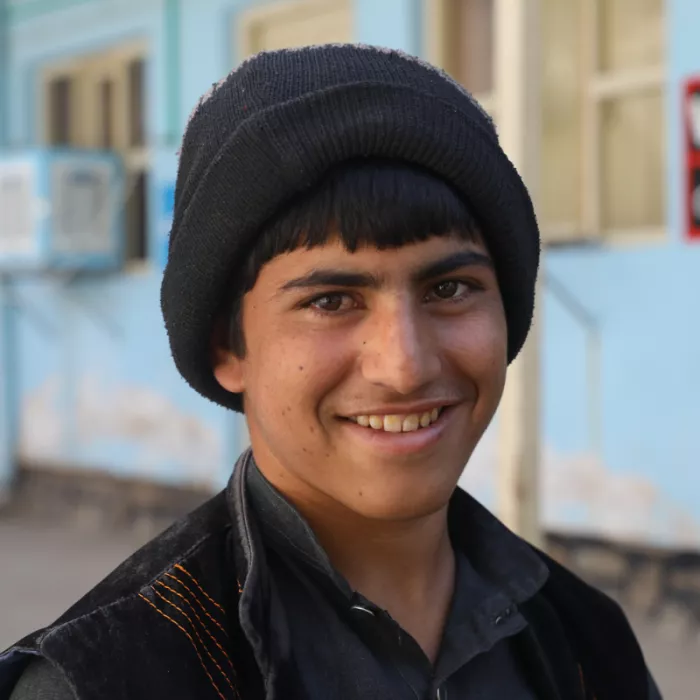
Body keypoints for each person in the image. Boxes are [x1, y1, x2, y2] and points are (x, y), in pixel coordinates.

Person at [0, 44, 661, 700]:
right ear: (227, 347)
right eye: (330, 301)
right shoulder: (105, 680)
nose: (404, 366)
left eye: (451, 289)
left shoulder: (583, 641)